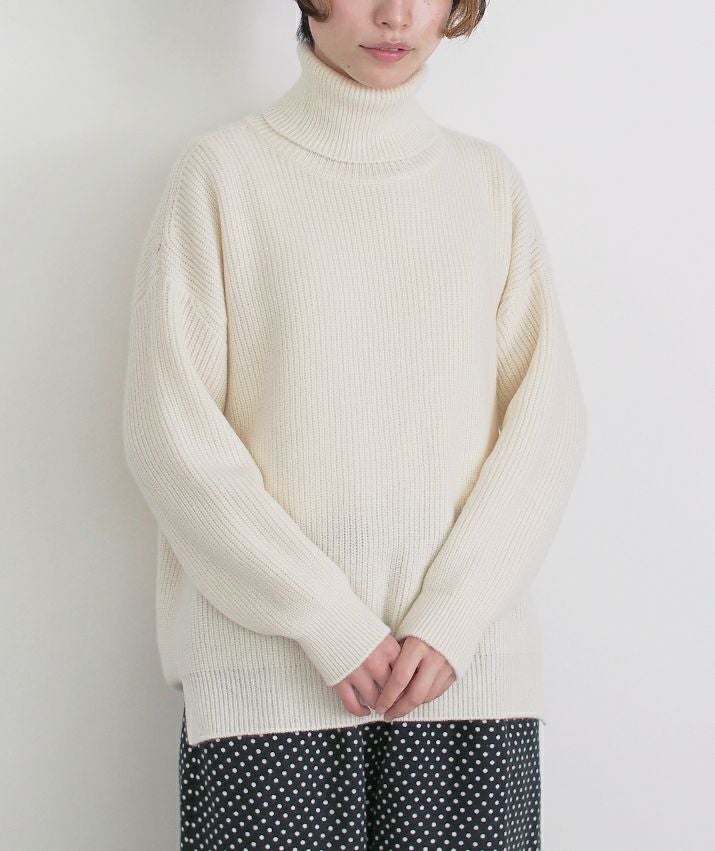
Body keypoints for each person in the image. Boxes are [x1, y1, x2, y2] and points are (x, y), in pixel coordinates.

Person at [122, 1, 588, 848]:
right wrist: (321, 617)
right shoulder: (223, 175)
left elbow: (546, 422)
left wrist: (452, 615)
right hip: (271, 686)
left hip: (463, 681)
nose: (395, 15)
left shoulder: (485, 184)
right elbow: (171, 433)